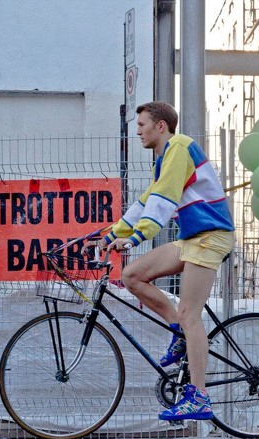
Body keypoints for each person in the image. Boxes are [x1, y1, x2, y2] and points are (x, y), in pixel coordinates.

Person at [83, 102, 234, 421]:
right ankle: (179, 331)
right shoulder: (165, 159)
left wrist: (136, 238)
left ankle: (199, 397)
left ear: (161, 126)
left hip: (210, 235)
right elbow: (144, 204)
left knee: (190, 315)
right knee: (132, 275)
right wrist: (108, 237)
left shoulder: (179, 147)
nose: (137, 131)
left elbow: (163, 201)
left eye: (142, 124)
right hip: (194, 238)